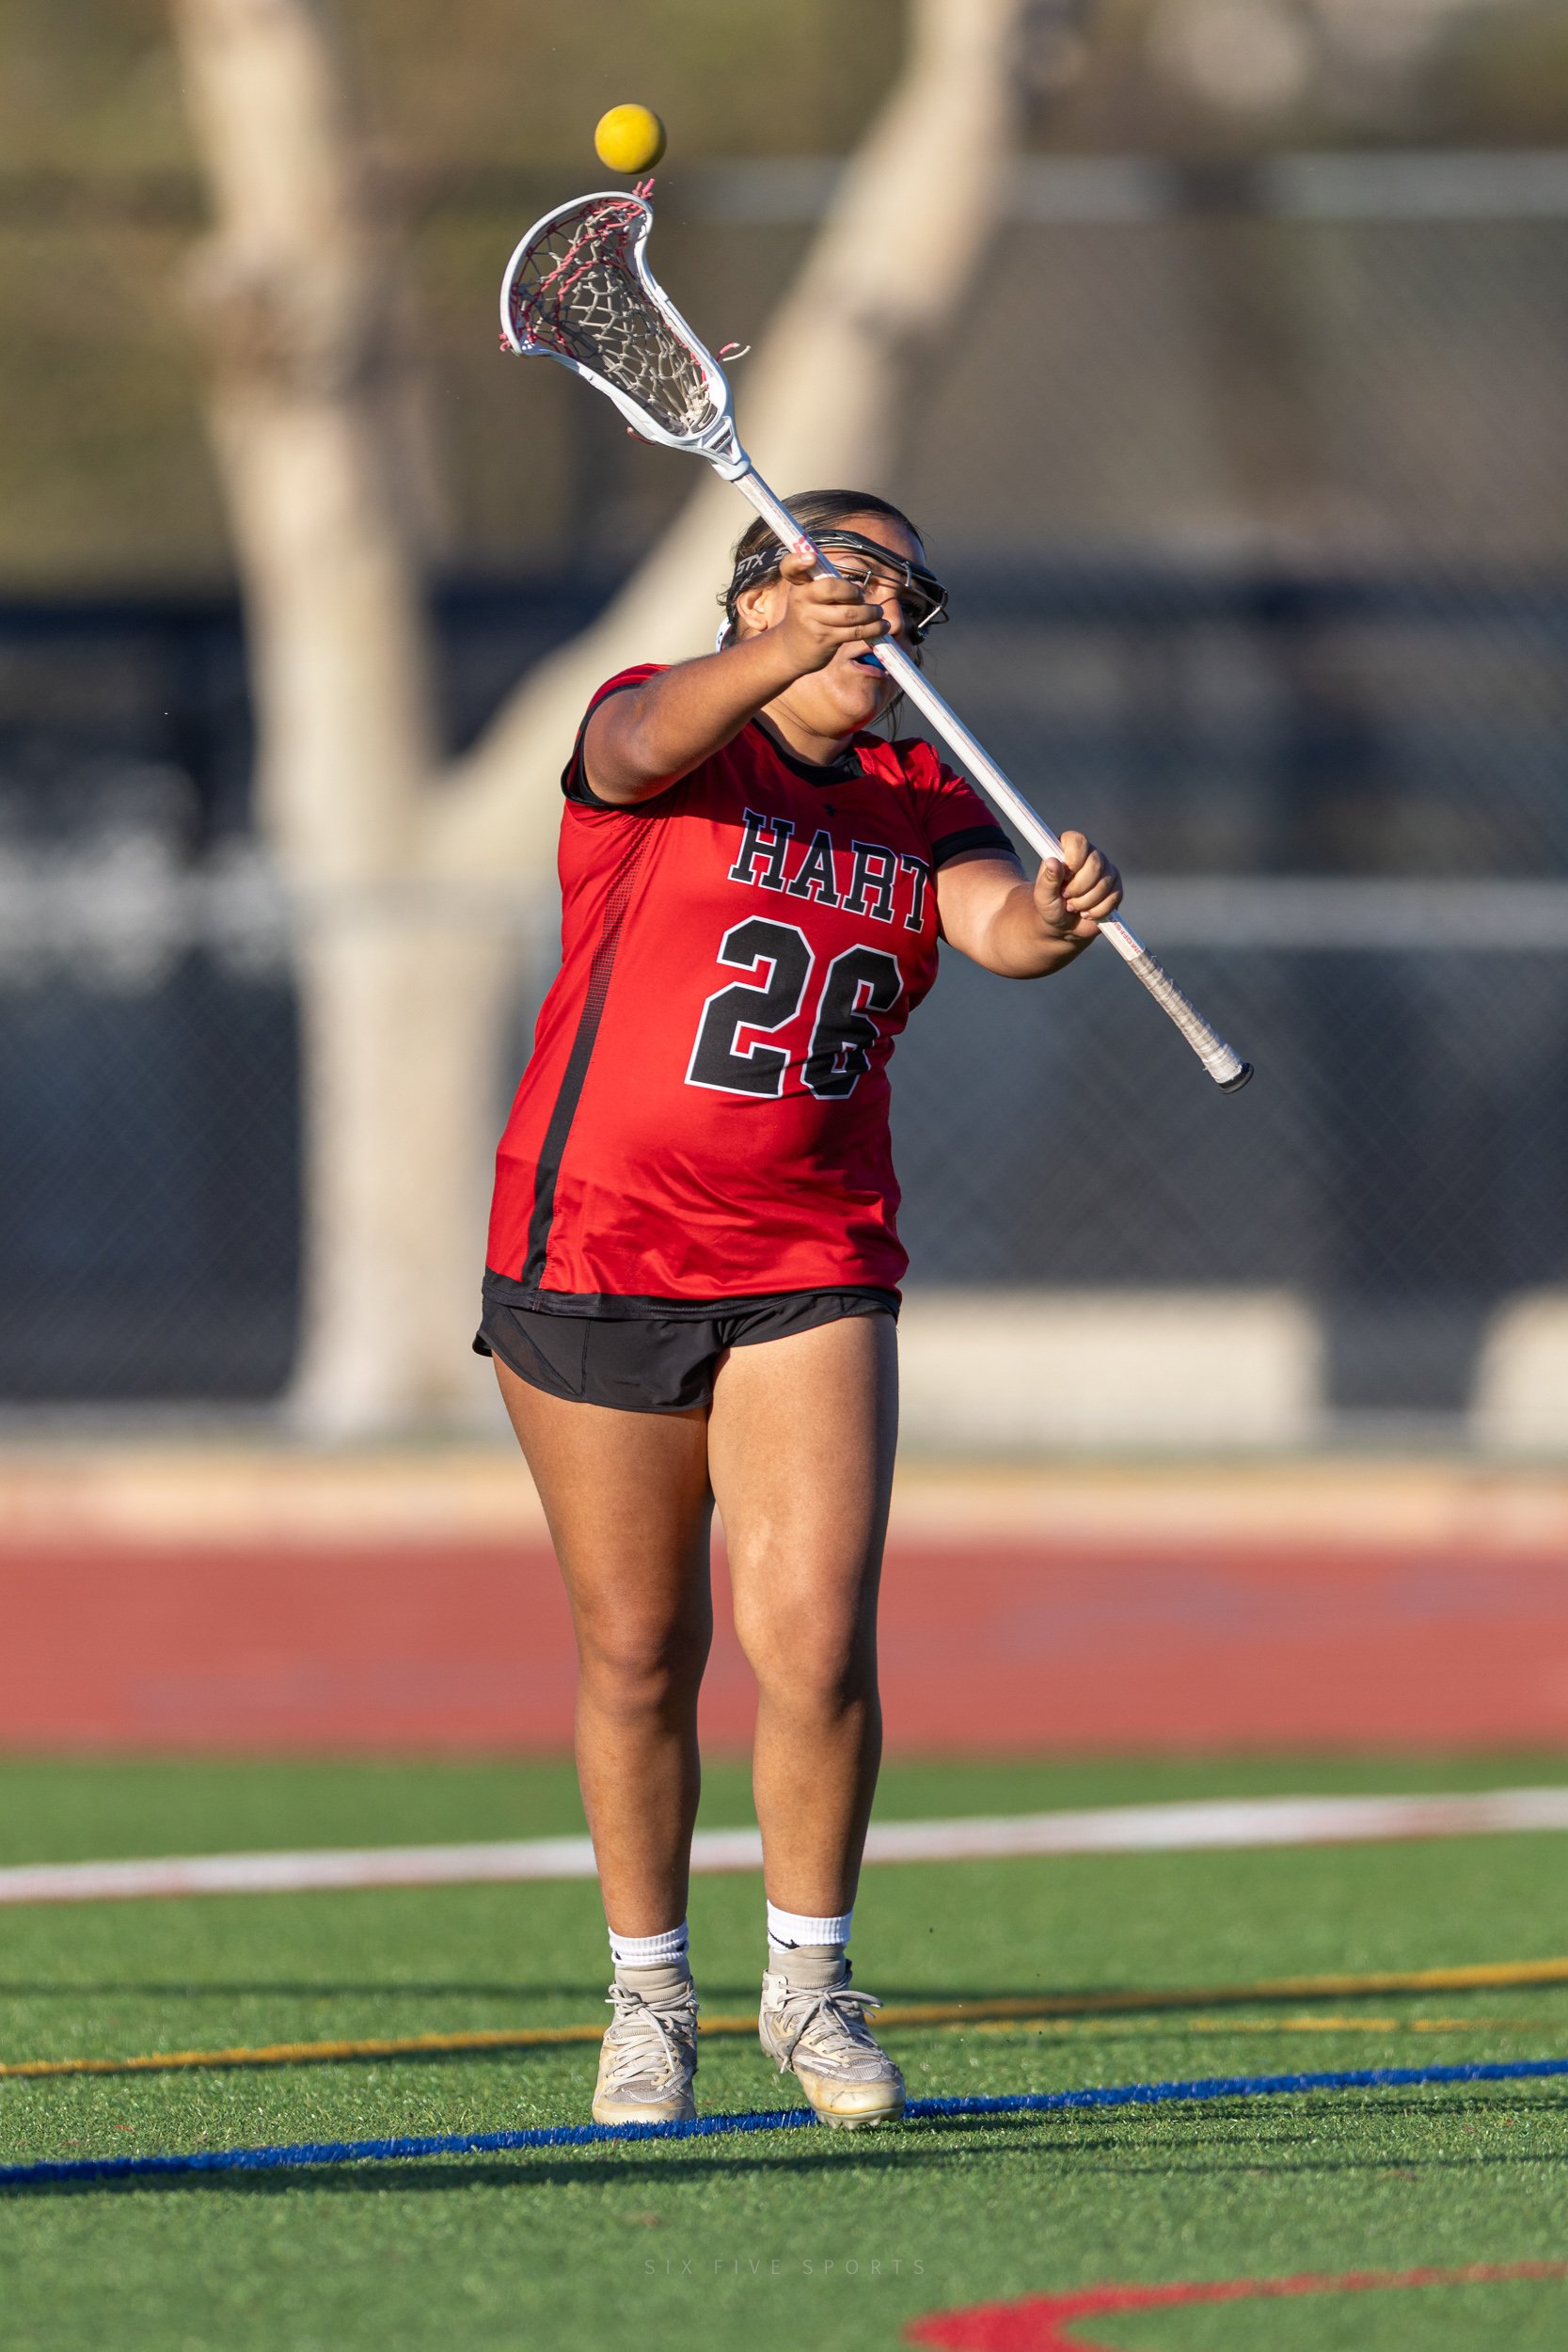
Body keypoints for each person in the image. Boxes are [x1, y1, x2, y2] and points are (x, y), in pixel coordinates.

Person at [476, 490, 1121, 2130]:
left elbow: (996, 928)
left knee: (817, 1641)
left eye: (910, 596)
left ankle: (812, 1987)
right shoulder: (665, 728)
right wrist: (776, 650)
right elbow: (627, 749)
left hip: (809, 1258)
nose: (883, 616)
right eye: (848, 580)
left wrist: (1052, 919)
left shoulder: (920, 790)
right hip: (596, 1251)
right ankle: (647, 2000)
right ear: (759, 596)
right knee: (640, 1652)